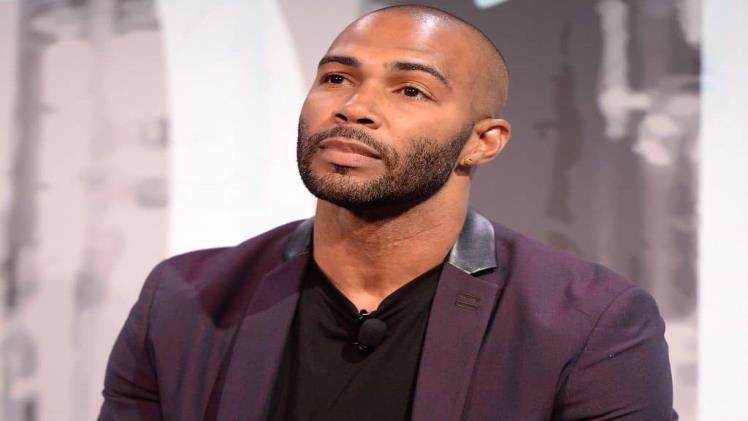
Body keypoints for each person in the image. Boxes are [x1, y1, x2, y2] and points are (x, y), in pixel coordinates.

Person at [98, 5, 676, 421]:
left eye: (411, 90)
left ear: (483, 142)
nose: (354, 108)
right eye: (336, 78)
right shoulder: (183, 299)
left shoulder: (587, 323)